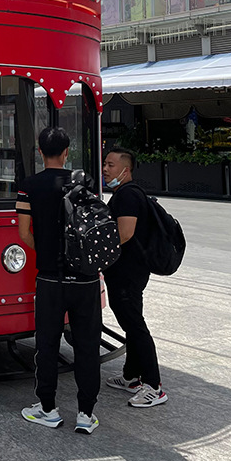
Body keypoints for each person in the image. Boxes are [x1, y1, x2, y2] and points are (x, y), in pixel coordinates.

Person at [17, 127, 102, 434]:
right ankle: (85, 413)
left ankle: (48, 409)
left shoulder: (29, 186)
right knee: (87, 345)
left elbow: (24, 232)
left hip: (51, 279)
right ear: (68, 151)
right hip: (86, 279)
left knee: (48, 343)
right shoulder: (84, 183)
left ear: (40, 151)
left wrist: (50, 252)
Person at [102, 146, 168, 408]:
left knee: (135, 326)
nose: (106, 169)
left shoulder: (128, 196)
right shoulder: (126, 192)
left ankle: (154, 385)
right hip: (128, 271)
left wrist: (100, 256)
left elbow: (125, 233)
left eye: (111, 165)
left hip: (127, 272)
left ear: (125, 169)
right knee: (130, 323)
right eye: (105, 164)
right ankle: (132, 377)